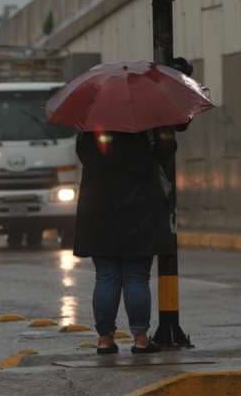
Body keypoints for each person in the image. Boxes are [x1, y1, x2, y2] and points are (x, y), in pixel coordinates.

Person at [74, 129, 175, 355]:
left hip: (99, 210)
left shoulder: (91, 125)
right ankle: (140, 339)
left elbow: (83, 155)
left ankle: (104, 339)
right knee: (137, 276)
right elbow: (165, 153)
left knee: (106, 276)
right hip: (139, 209)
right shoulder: (145, 125)